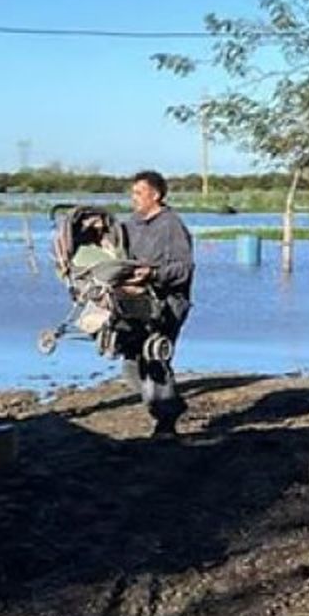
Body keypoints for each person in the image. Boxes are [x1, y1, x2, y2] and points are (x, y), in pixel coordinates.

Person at [123, 170, 194, 437]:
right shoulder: (133, 223)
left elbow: (184, 268)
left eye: (139, 193)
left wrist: (154, 274)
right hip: (136, 302)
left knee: (155, 359)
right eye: (133, 193)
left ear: (156, 195)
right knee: (131, 364)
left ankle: (166, 423)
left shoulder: (171, 225)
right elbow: (116, 246)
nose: (134, 198)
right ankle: (170, 407)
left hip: (168, 303)